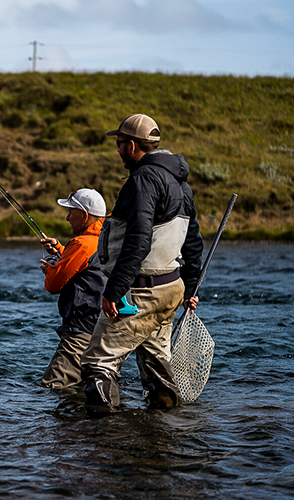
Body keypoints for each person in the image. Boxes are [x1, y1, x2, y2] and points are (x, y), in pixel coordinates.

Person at [80, 113, 203, 415]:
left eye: (120, 143)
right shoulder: (181, 184)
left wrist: (113, 290)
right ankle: (164, 428)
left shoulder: (143, 179)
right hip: (171, 289)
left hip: (142, 291)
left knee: (98, 363)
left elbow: (139, 238)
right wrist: (190, 289)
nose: (118, 150)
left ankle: (106, 441)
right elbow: (193, 242)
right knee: (155, 363)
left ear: (133, 146)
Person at [40, 188, 108, 389]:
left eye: (71, 212)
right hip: (103, 329)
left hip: (81, 331)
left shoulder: (81, 244)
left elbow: (53, 286)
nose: (67, 218)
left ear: (85, 215)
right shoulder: (106, 239)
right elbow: (90, 268)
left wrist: (51, 270)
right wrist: (62, 251)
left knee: (53, 386)